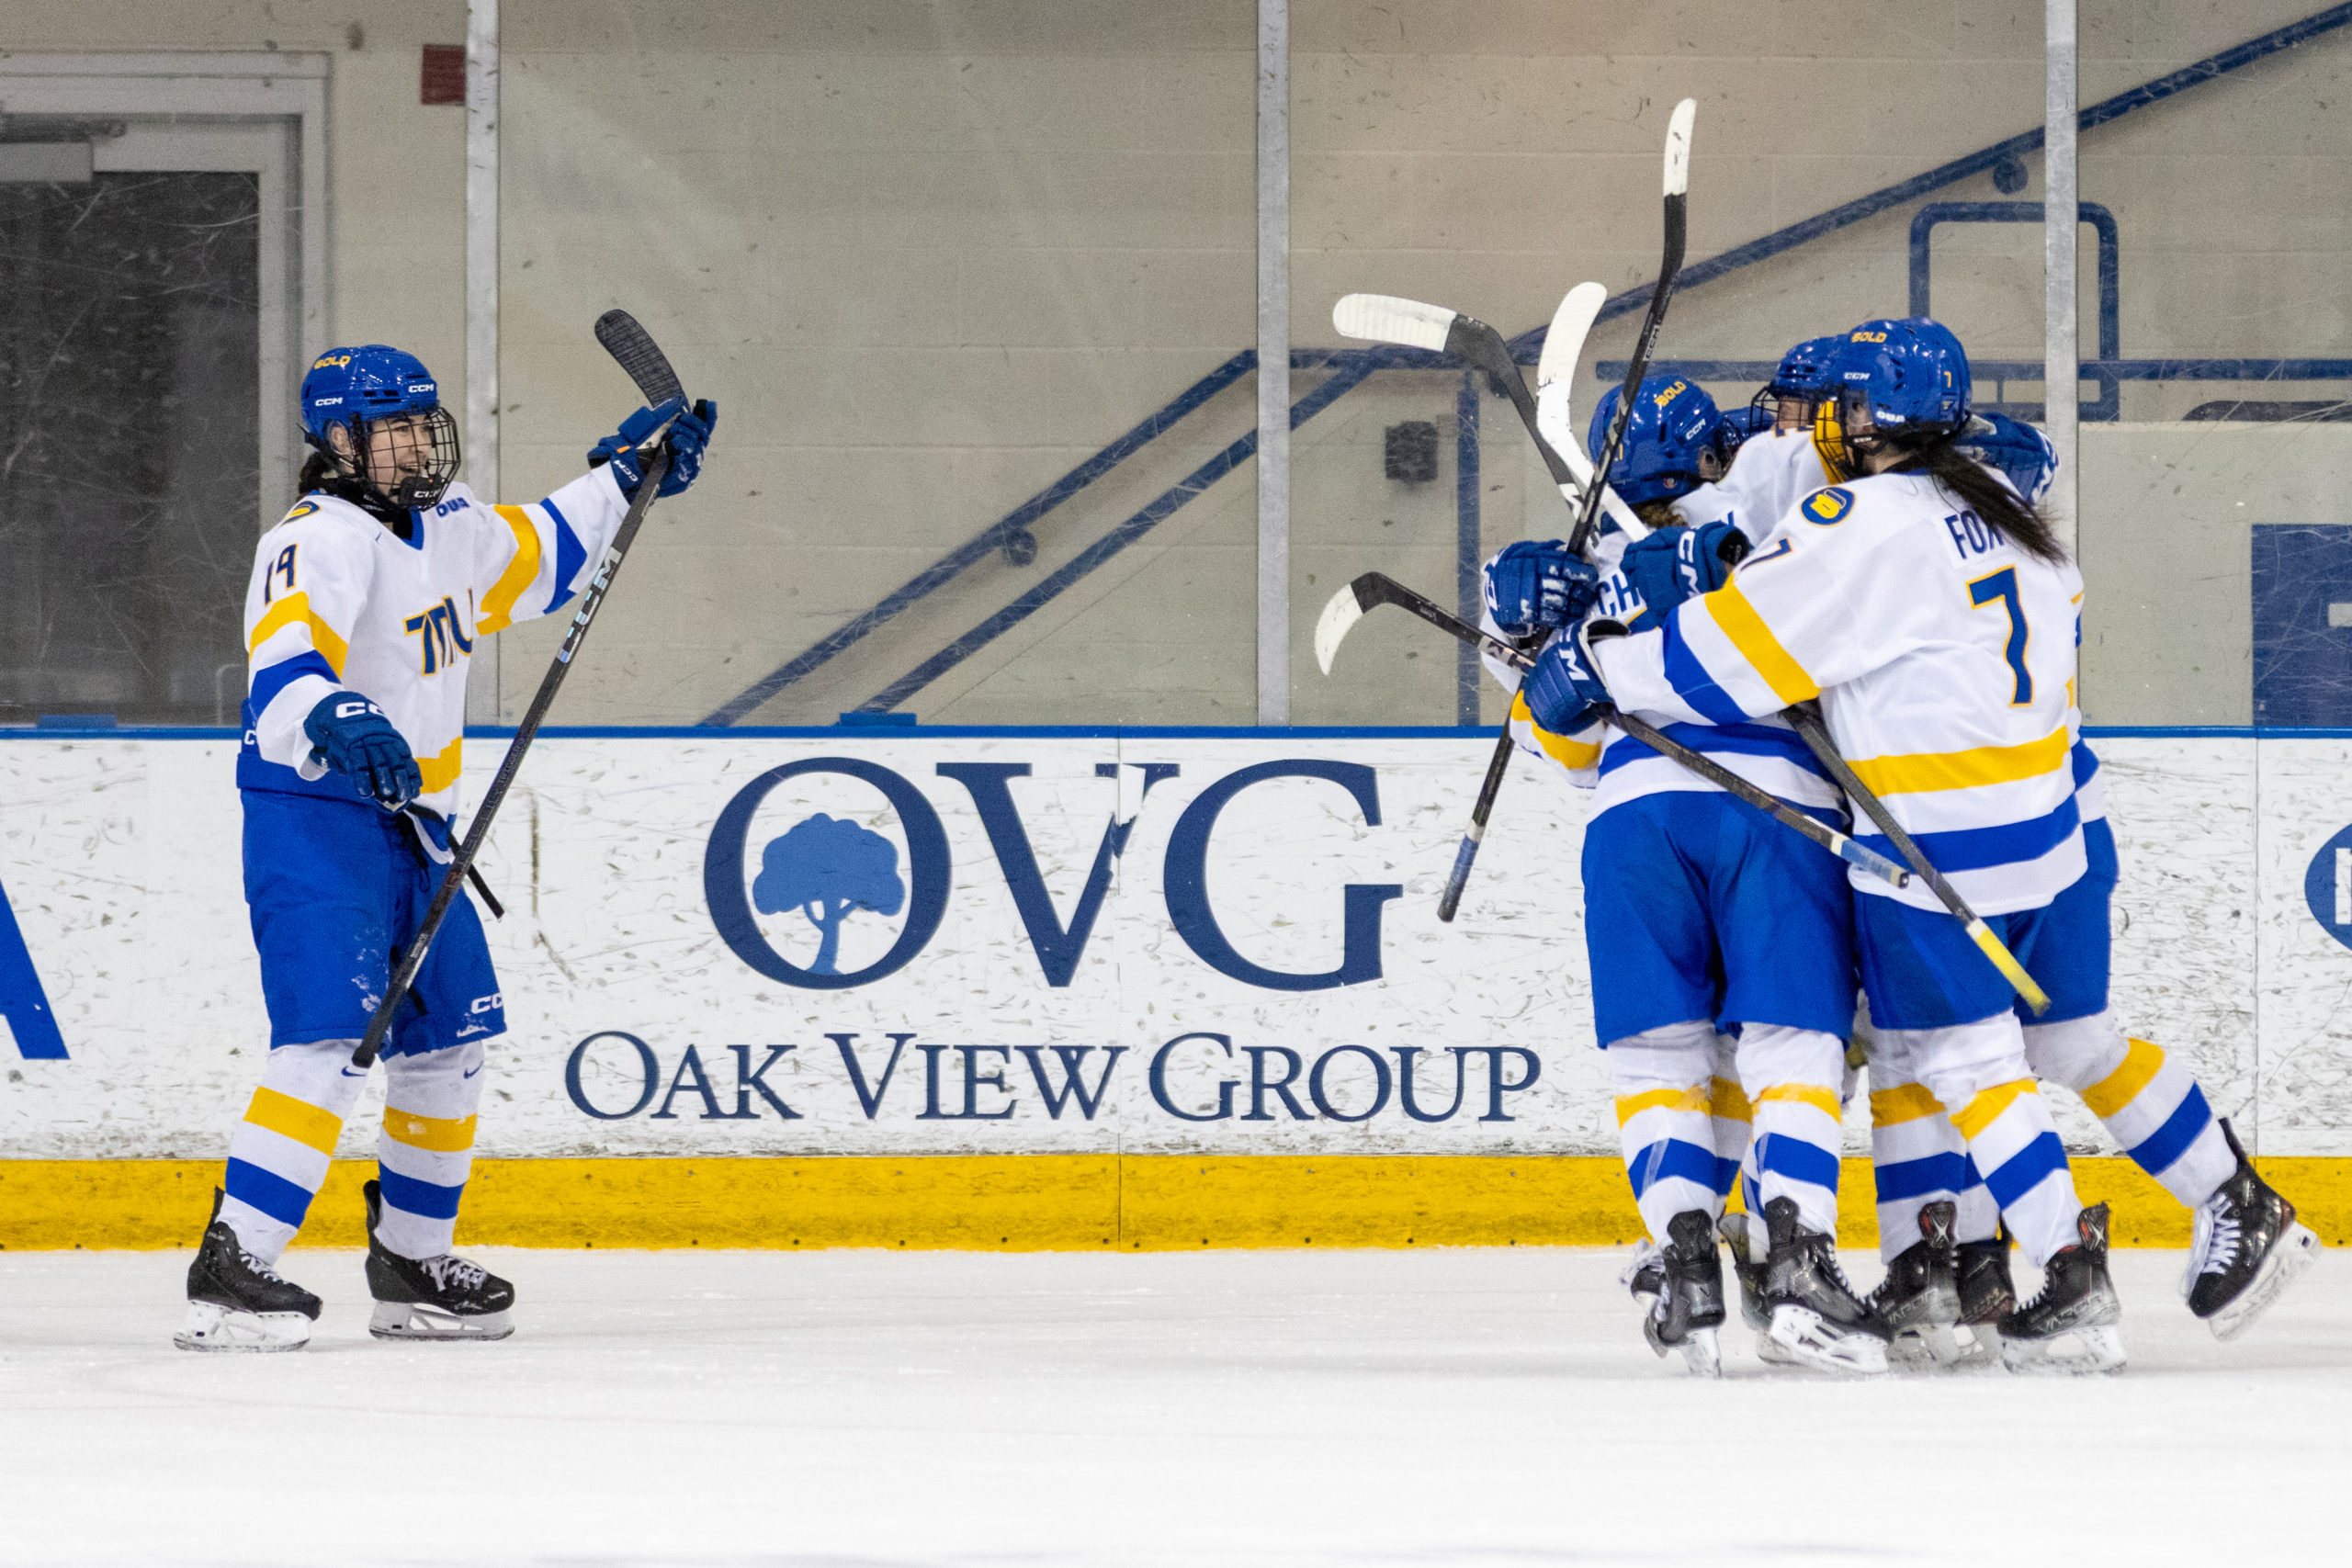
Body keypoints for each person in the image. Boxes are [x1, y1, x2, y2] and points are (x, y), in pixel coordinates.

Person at [1526, 316, 2141, 1373]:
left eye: (1833, 409)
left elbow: (1640, 708)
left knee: (1668, 1057)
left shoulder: (1833, 515)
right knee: (1828, 1051)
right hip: (1883, 820)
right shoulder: (1992, 522)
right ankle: (1843, 1258)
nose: (1810, 427)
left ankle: (1686, 1257)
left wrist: (1578, 650)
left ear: (1873, 415)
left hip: (1661, 820)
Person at [174, 344, 717, 1352]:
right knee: (329, 1041)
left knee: (451, 1042)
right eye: (394, 432)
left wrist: (628, 474)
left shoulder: (451, 523)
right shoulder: (316, 540)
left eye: (426, 425)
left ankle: (411, 1261)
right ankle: (233, 1263)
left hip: (419, 825)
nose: (419, 445)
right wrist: (338, 713)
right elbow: (282, 660)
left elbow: (541, 553)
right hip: (317, 819)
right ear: (339, 444)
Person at [1483, 372, 1877, 1376]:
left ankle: (1685, 1263)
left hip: (1630, 817)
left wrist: (1520, 647)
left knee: (1656, 1057)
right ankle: (1795, 1260)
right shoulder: (1776, 506)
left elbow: (1559, 749)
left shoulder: (1586, 569)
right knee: (1791, 1042)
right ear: (1714, 453)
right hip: (1773, 808)